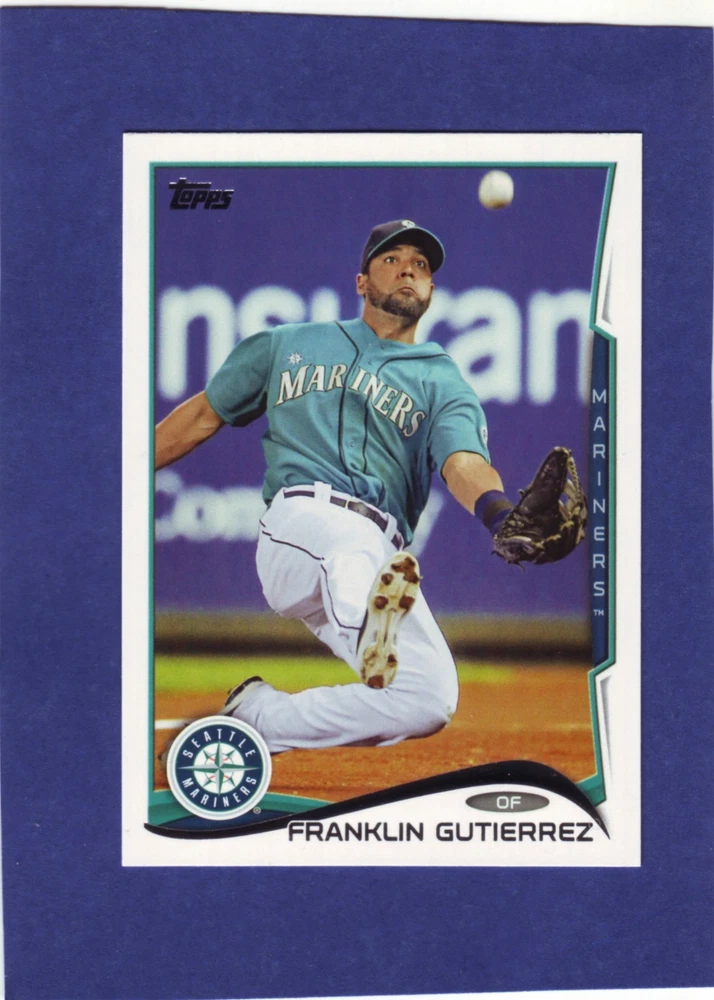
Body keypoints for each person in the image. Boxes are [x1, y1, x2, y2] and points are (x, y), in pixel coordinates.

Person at [155, 220, 515, 754]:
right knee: (349, 542)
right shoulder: (288, 344)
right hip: (301, 527)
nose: (408, 270)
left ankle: (260, 718)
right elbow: (204, 414)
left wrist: (498, 511)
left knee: (428, 698)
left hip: (378, 552)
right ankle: (370, 621)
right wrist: (119, 473)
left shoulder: (442, 381)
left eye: (420, 265)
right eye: (392, 259)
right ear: (361, 282)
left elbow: (463, 463)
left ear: (431, 291)